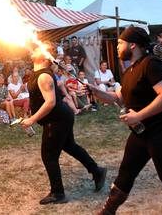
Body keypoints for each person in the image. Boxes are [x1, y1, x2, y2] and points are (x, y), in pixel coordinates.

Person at [88, 26, 162, 215]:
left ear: (132, 45)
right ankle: (107, 212)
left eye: (120, 43)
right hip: (141, 133)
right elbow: (118, 98)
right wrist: (96, 91)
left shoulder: (151, 64)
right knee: (125, 174)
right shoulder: (130, 70)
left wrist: (138, 116)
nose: (116, 46)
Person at [20, 43, 107, 205]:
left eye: (39, 47)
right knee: (70, 146)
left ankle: (58, 193)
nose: (34, 48)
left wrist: (32, 119)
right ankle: (97, 171)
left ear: (46, 56)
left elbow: (51, 102)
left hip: (57, 119)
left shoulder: (44, 76)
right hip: (61, 117)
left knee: (49, 156)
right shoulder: (37, 73)